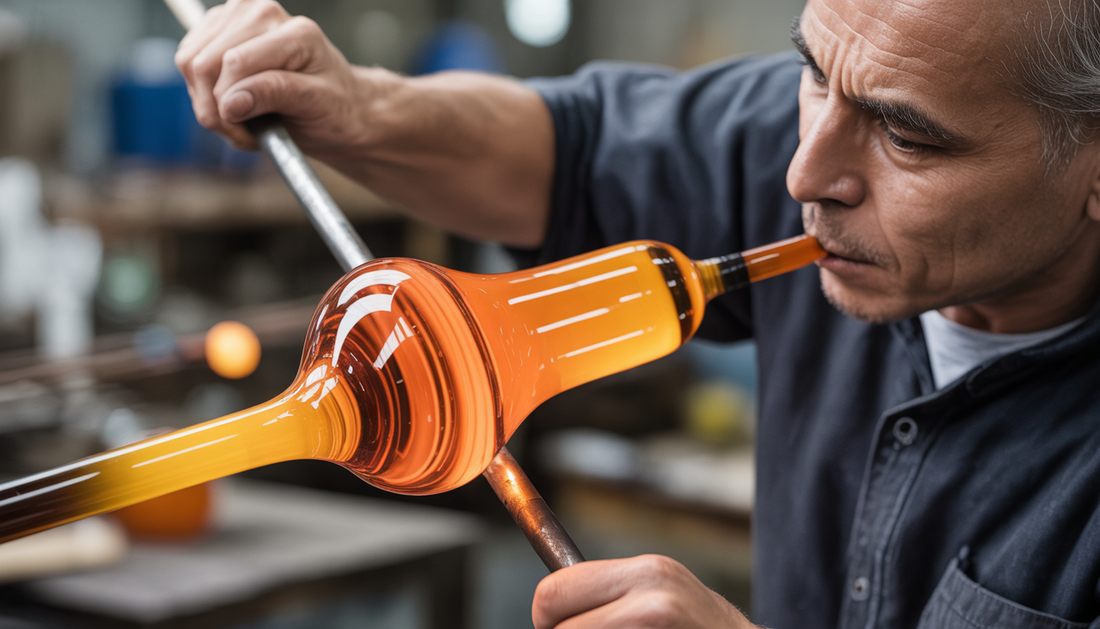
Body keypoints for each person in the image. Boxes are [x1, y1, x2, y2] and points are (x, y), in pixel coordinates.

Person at [177, 0, 1100, 626]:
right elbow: (565, 155)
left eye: (907, 136)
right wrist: (359, 105)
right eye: (812, 73)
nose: (804, 176)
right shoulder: (805, 145)